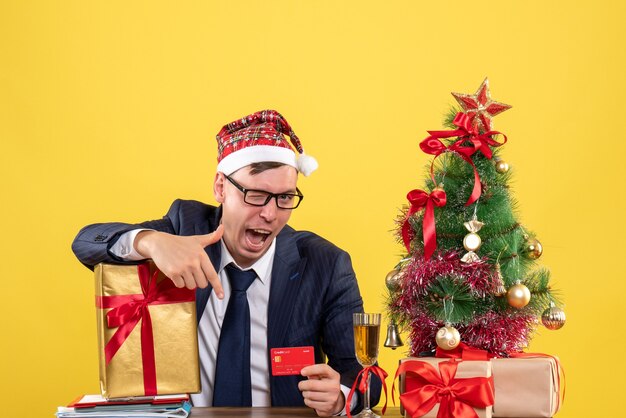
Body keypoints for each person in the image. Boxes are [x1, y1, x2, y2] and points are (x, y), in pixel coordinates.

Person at [72, 110, 381, 416]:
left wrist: (341, 397)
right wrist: (150, 242)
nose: (270, 214)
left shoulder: (324, 264)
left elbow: (365, 376)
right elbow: (86, 242)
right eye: (256, 195)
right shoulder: (185, 228)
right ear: (221, 187)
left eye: (285, 198)